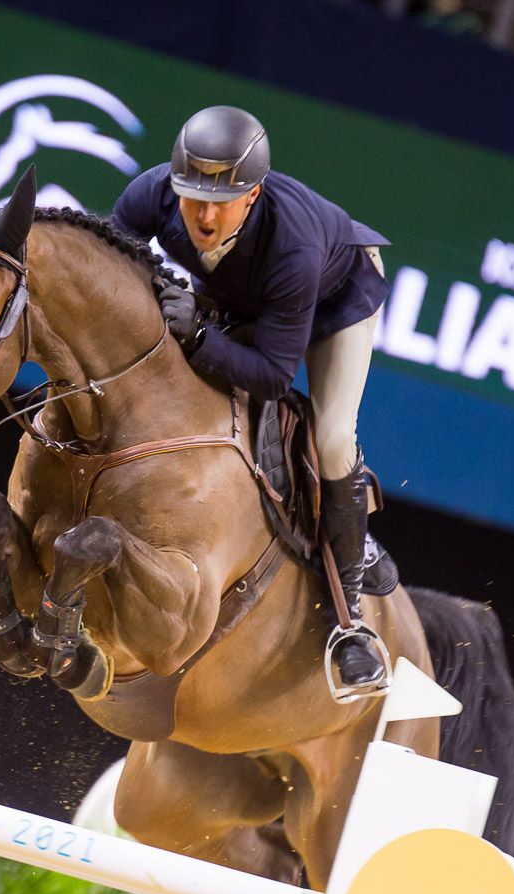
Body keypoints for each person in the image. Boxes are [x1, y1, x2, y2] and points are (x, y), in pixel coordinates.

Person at [111, 105, 391, 693]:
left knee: (332, 435)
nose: (204, 216)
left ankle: (351, 627)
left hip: (337, 298)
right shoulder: (150, 196)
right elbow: (114, 275)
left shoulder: (292, 247)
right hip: (244, 293)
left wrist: (198, 335)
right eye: (192, 197)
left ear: (254, 194)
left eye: (223, 201)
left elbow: (270, 375)